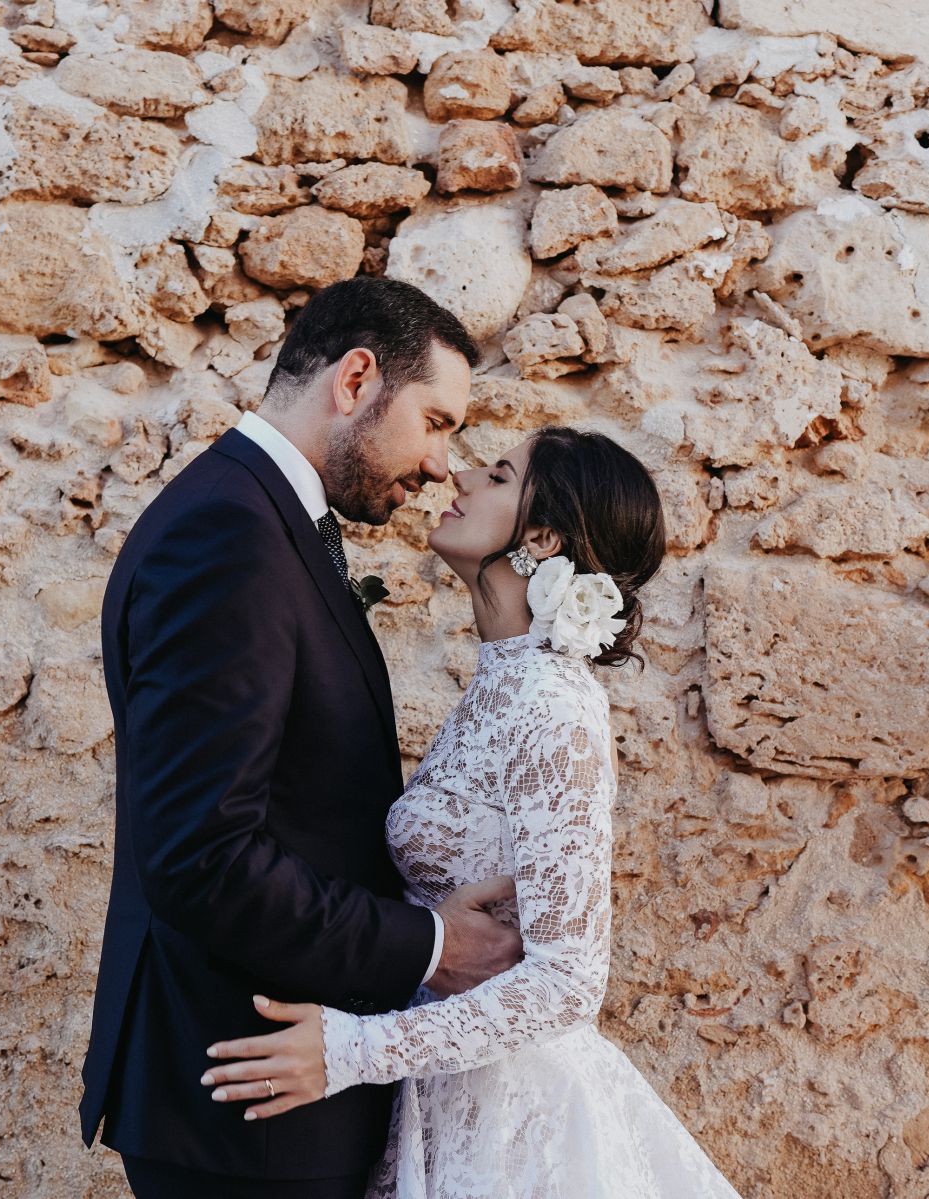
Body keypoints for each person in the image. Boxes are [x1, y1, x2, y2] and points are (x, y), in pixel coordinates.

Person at [198, 427, 746, 1198]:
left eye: (495, 475)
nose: (455, 474)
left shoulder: (555, 707)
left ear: (543, 535)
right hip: (443, 1093)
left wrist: (352, 1050)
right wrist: (430, 925)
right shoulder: (500, 681)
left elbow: (568, 979)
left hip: (515, 1125)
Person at [79, 276, 526, 1199]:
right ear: (357, 379)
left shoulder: (258, 516)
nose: (444, 465)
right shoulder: (228, 536)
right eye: (437, 422)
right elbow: (204, 855)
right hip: (248, 1097)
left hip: (271, 1091)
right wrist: (427, 945)